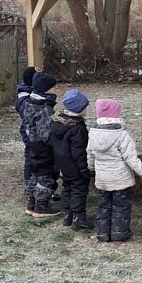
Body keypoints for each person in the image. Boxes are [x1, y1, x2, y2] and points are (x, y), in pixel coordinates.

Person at [87, 99, 142, 244]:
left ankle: (103, 233)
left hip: (102, 179)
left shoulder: (93, 133)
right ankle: (119, 234)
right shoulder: (122, 134)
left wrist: (91, 168)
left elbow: (90, 154)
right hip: (120, 179)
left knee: (103, 205)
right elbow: (131, 158)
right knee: (121, 206)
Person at [51, 89, 93, 230]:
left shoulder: (57, 123)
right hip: (75, 166)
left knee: (67, 188)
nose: (87, 109)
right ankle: (78, 217)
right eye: (85, 106)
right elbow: (78, 152)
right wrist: (84, 169)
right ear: (79, 108)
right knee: (79, 190)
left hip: (62, 164)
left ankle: (67, 215)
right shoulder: (78, 129)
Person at [23, 71, 60, 217]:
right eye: (53, 88)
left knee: (35, 174)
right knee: (46, 176)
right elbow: (46, 133)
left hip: (33, 145)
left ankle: (31, 203)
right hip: (44, 148)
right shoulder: (45, 108)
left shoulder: (31, 103)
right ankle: (41, 206)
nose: (55, 90)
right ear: (46, 89)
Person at [15, 66, 35, 214]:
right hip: (30, 134)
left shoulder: (29, 95)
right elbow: (29, 119)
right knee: (30, 159)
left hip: (32, 132)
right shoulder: (25, 100)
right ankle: (29, 190)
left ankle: (36, 189)